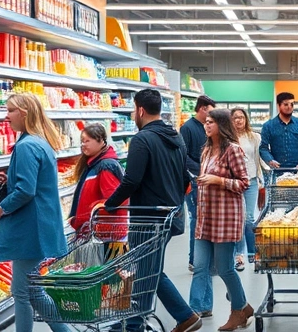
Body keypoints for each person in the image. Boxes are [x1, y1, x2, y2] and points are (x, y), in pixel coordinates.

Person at [105, 89, 202, 332]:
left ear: (140, 110)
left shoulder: (142, 139)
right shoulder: (176, 137)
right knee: (149, 269)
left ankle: (163, 318)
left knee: (148, 269)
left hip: (147, 217)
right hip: (170, 214)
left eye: (133, 109)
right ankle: (139, 321)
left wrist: (109, 205)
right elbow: (183, 178)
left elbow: (131, 181)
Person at [0, 93, 72, 332]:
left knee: (21, 293)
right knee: (33, 290)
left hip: (30, 229)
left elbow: (26, 190)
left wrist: (1, 209)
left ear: (23, 114)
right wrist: (10, 177)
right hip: (41, 226)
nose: (6, 116)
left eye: (10, 110)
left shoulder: (26, 146)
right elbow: (30, 182)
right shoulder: (38, 141)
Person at [188, 109, 254, 331]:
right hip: (205, 217)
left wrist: (218, 180)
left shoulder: (232, 150)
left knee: (225, 268)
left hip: (225, 218)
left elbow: (244, 183)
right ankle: (242, 307)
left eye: (211, 122)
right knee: (200, 265)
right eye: (205, 122)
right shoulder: (206, 150)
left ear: (221, 125)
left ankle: (238, 312)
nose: (206, 126)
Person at [68, 123, 127, 247]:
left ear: (101, 141)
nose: (83, 145)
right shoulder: (92, 165)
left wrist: (81, 220)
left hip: (105, 236)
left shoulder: (106, 166)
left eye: (87, 141)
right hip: (96, 233)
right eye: (82, 141)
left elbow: (113, 203)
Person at [181, 95, 217, 270]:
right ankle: (194, 260)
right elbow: (183, 156)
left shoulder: (208, 127)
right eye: (210, 112)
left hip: (209, 179)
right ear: (202, 109)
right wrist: (201, 169)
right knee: (197, 219)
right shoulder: (187, 128)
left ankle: (205, 260)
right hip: (194, 180)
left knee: (207, 219)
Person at [232, 107, 263, 270]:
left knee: (249, 218)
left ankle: (253, 254)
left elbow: (257, 159)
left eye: (241, 117)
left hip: (251, 181)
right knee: (238, 218)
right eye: (235, 117)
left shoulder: (254, 137)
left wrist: (260, 178)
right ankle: (239, 255)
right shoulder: (226, 138)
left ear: (246, 119)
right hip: (234, 183)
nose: (238, 120)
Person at [259, 92, 298, 169]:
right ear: (278, 105)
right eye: (286, 104)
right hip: (278, 170)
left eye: (292, 104)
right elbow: (263, 148)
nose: (289, 107)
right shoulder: (268, 126)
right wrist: (270, 160)